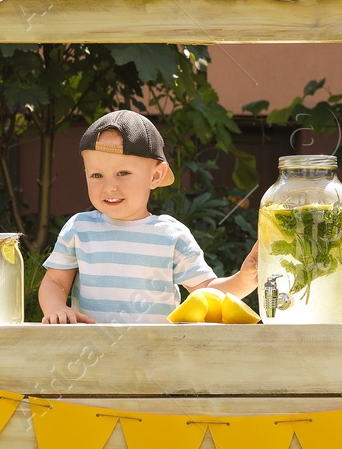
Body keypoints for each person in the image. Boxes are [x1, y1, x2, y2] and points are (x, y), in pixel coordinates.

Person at [39, 109, 258, 324]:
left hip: (157, 354)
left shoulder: (170, 235)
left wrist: (244, 279)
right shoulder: (80, 228)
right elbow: (55, 282)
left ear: (155, 176)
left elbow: (208, 293)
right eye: (96, 175)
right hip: (94, 354)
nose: (109, 187)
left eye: (122, 173)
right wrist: (56, 307)